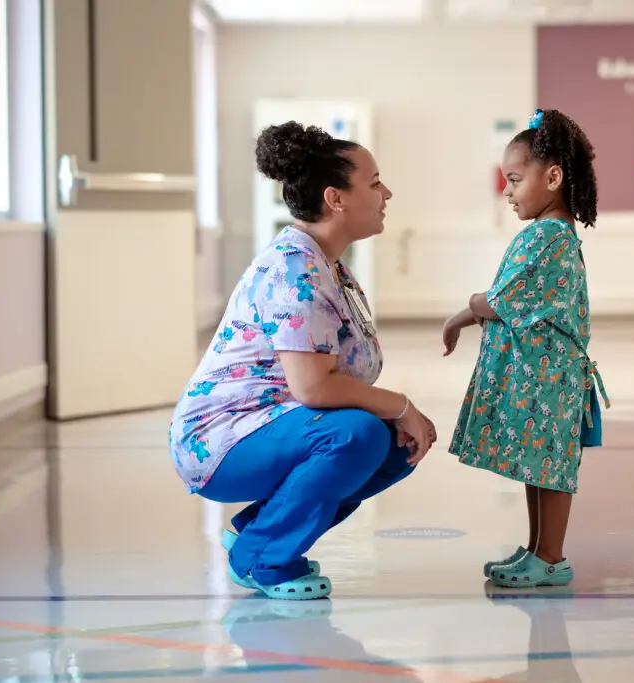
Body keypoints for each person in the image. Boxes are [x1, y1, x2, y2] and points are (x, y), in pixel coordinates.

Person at [168, 121, 437, 601]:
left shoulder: (326, 263)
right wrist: (398, 404)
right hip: (218, 439)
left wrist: (398, 415)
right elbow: (314, 389)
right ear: (336, 199)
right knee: (359, 434)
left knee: (395, 445)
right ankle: (261, 558)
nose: (386, 192)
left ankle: (257, 531)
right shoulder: (295, 270)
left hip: (270, 424)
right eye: (374, 183)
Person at [442, 108, 610, 588]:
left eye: (514, 179)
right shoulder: (547, 234)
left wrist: (462, 313)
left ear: (553, 177)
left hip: (550, 379)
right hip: (541, 376)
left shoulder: (548, 237)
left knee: (552, 469)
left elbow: (501, 299)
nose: (507, 190)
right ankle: (537, 551)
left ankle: (553, 558)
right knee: (538, 465)